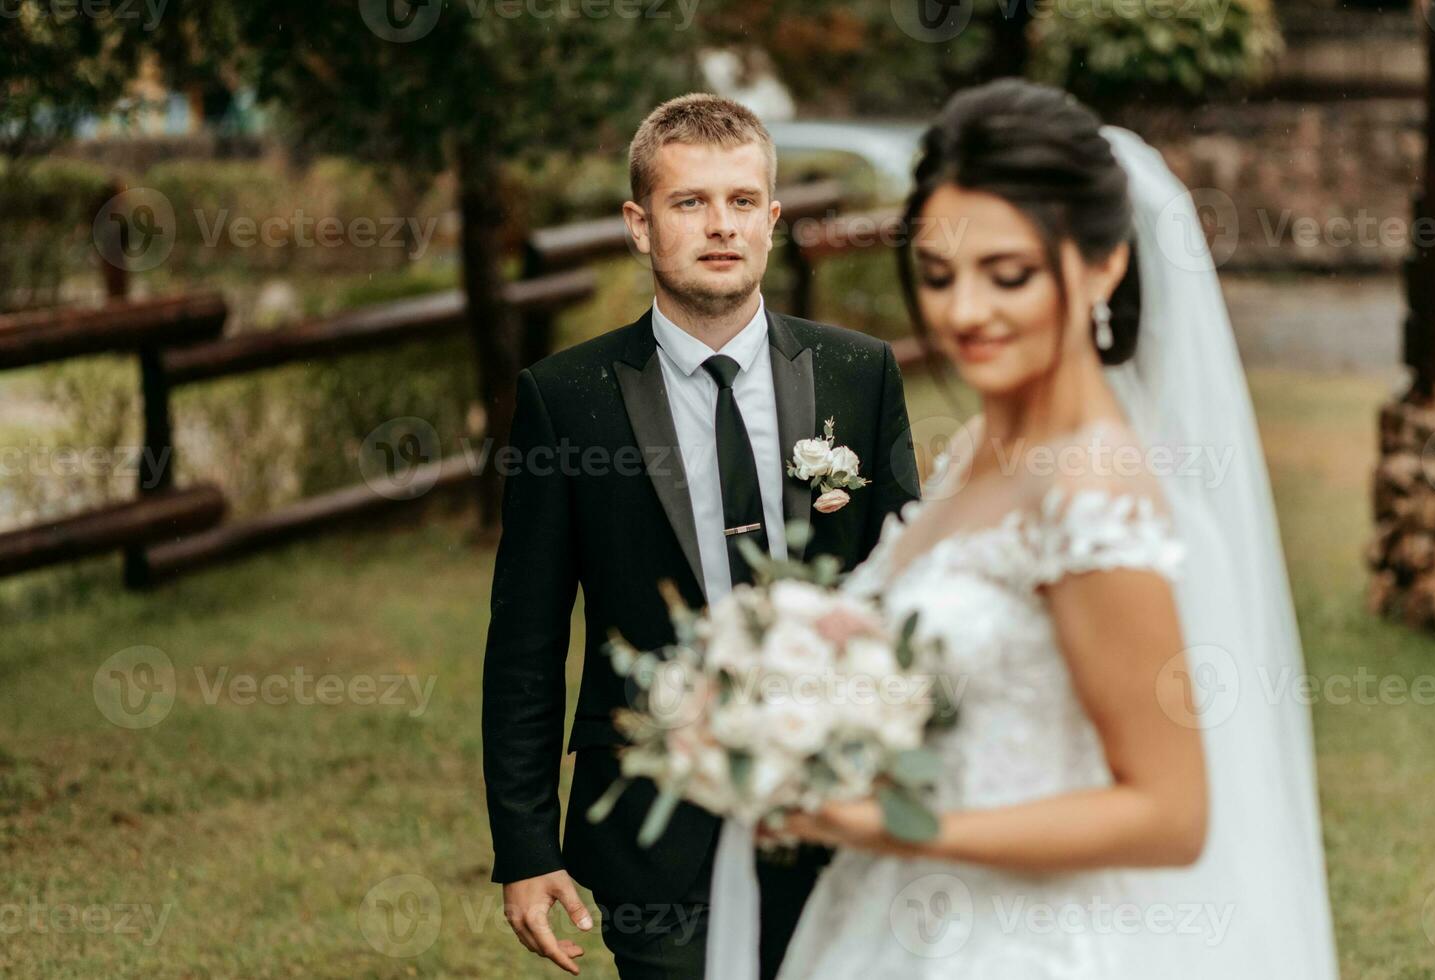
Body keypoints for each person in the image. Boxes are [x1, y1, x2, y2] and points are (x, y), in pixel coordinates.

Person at [707, 78, 1339, 980]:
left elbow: (1169, 815)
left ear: (1103, 264)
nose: (964, 311)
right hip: (889, 920)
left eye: (1007, 275)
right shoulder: (974, 450)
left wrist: (906, 827)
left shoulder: (1092, 490)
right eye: (937, 273)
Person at [481, 92, 920, 979]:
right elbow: (526, 639)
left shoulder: (857, 375)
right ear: (640, 225)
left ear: (773, 219)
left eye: (742, 201)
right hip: (652, 829)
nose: (720, 226)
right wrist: (526, 846)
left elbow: (908, 599)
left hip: (836, 814)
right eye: (690, 203)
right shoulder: (567, 400)